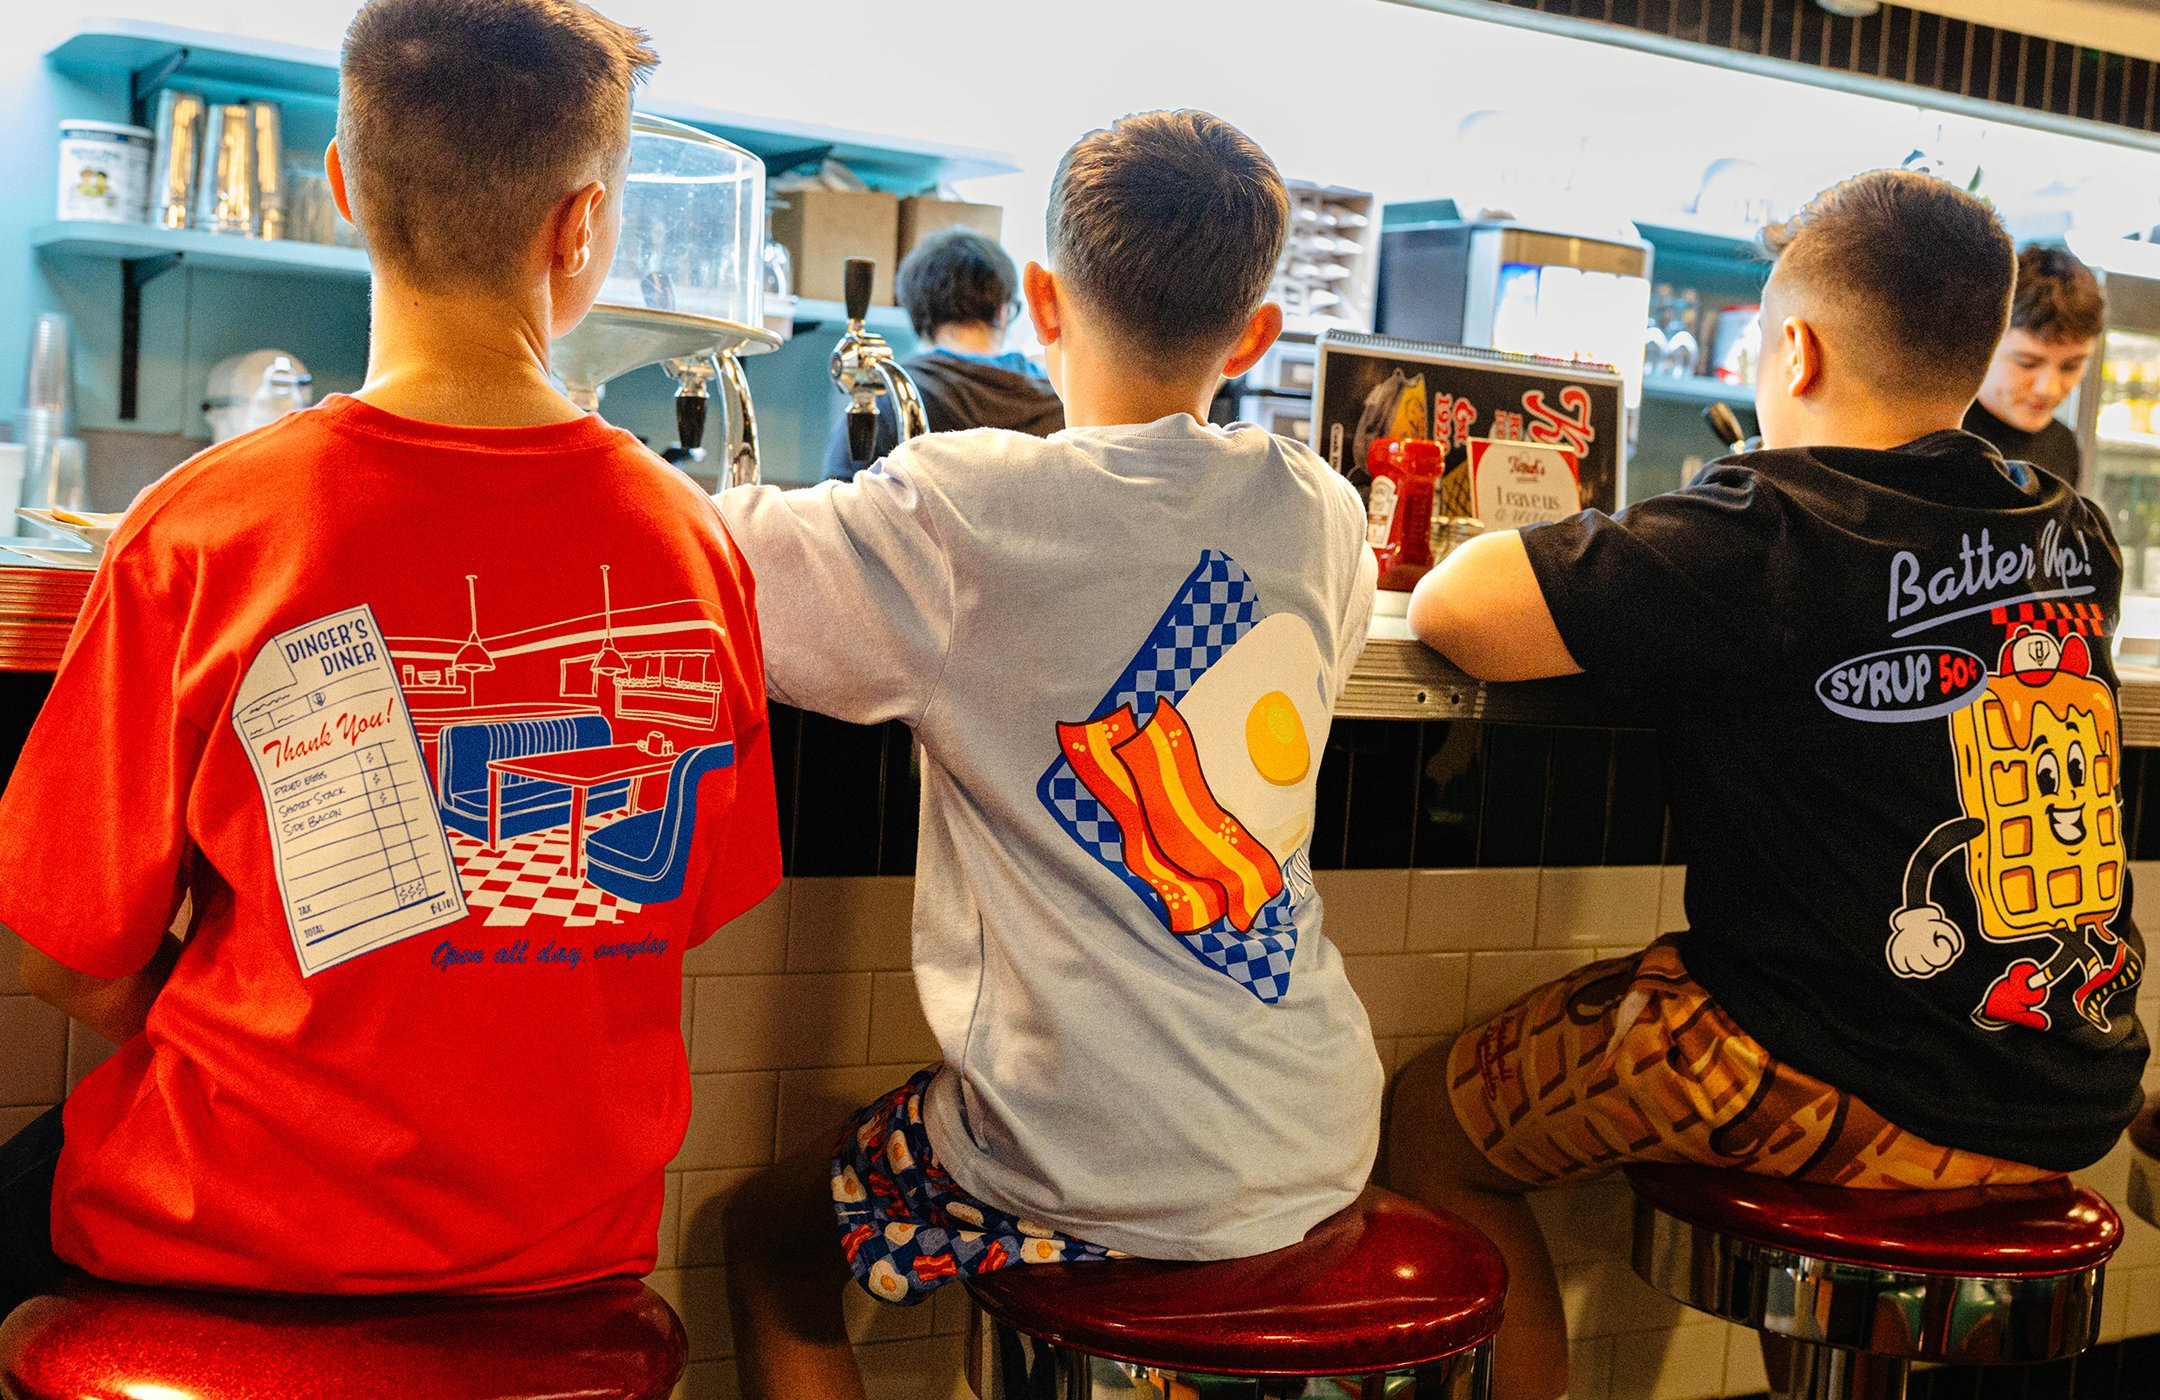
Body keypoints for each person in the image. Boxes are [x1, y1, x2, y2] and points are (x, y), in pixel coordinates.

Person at [0, 0, 779, 1312]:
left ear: (345, 186)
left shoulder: (201, 531)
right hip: (563, 1259)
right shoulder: (693, 548)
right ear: (584, 224)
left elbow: (69, 962)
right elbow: (674, 914)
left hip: (227, 1237)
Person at [1392, 170, 2146, 1400]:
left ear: (1788, 349)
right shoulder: (2074, 531)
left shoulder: (1773, 521)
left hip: (1829, 1057)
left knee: (1431, 1129)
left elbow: (1453, 607)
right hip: (2061, 1074)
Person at [716, 111, 1382, 1400]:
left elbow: (706, 557)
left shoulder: (965, 511)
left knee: (770, 1234)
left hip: (1076, 1157)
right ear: (1257, 336)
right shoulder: (1324, 509)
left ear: (1041, 299)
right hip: (1315, 1130)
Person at [820, 227, 1064, 479]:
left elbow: (838, 497)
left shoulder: (888, 399)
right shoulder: (1059, 401)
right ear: (1003, 312)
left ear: (917, 315)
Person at [1963, 244, 2104, 487]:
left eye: (2070, 366)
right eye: (2027, 363)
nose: (2047, 388)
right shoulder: (1939, 433)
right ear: (1984, 343)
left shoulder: (2063, 447)